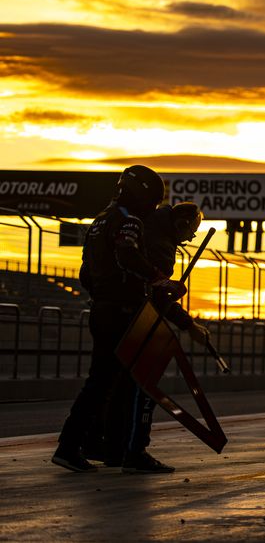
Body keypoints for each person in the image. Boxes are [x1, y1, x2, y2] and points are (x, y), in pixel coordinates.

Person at [52, 165, 190, 474]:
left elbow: (85, 272)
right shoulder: (129, 221)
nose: (153, 208)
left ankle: (71, 445)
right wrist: (160, 281)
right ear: (141, 194)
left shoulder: (100, 221)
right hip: (124, 313)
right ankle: (133, 452)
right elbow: (128, 255)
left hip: (101, 308)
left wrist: (103, 293)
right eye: (152, 200)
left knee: (99, 384)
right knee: (138, 383)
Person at [86, 201, 210, 467]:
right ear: (183, 224)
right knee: (141, 385)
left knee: (110, 384)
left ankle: (109, 447)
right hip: (135, 316)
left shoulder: (142, 226)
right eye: (192, 230)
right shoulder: (160, 243)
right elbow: (156, 294)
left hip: (110, 309)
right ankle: (134, 450)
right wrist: (187, 324)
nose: (191, 237)